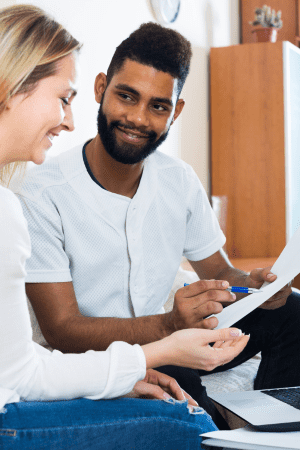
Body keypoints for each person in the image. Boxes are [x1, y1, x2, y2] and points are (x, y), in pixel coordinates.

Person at [13, 16, 291, 432]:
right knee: (193, 413)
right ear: (100, 88)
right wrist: (168, 326)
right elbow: (63, 329)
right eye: (127, 96)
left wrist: (255, 285)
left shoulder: (178, 180)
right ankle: (225, 424)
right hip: (106, 354)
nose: (139, 119)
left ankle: (280, 426)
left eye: (158, 106)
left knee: (293, 310)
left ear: (175, 111)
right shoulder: (40, 192)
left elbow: (219, 273)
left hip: (172, 336)